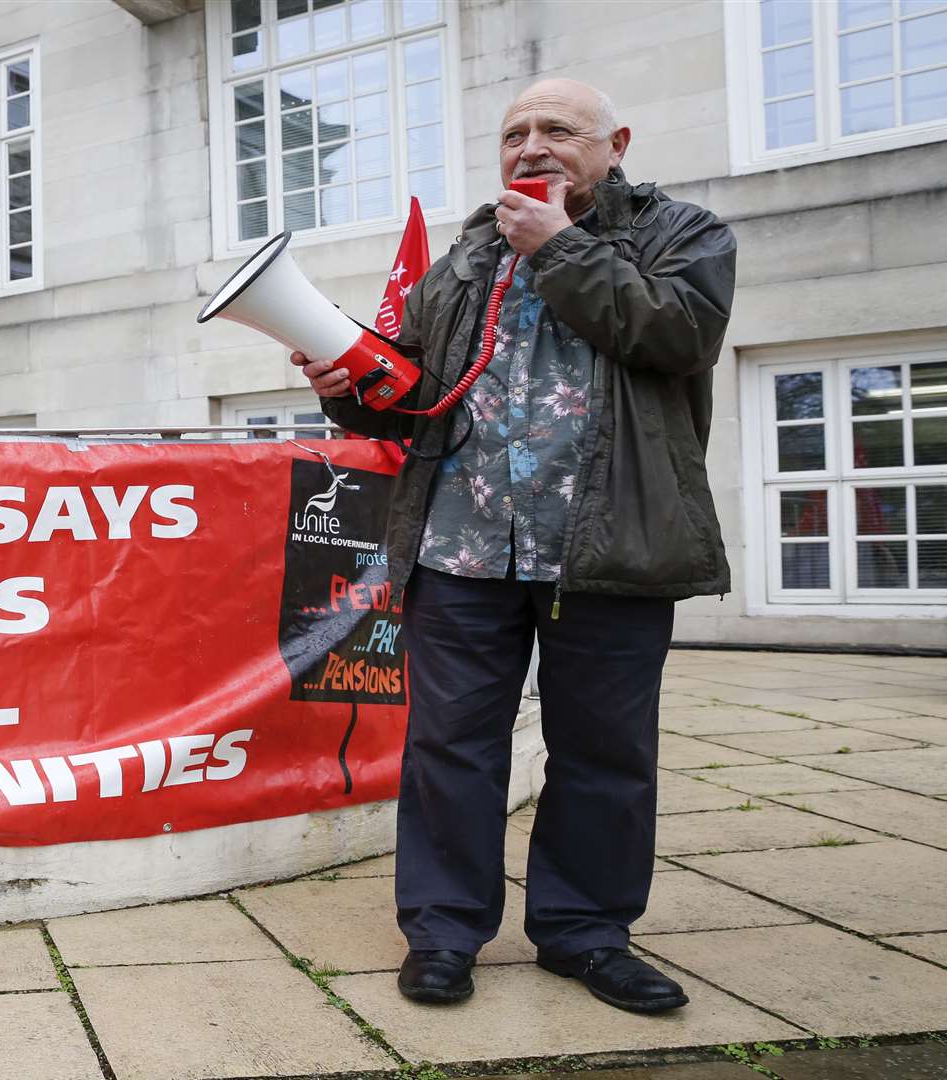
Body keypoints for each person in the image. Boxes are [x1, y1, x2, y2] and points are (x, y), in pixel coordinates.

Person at [294, 78, 737, 1013]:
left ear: (614, 142)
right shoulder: (465, 257)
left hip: (606, 548)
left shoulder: (682, 234)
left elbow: (679, 333)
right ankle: (445, 933)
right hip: (462, 546)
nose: (531, 147)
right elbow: (409, 387)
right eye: (514, 134)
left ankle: (584, 933)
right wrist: (345, 377)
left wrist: (561, 249)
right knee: (450, 746)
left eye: (557, 131)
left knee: (604, 751)